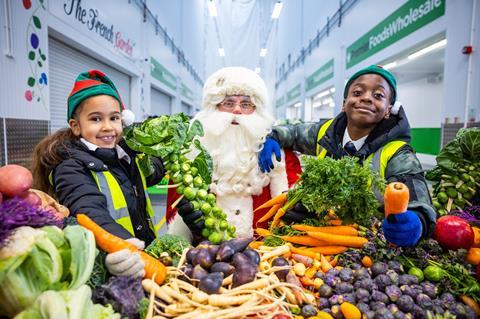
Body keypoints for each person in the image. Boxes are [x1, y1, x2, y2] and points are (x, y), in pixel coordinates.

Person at [258, 65, 436, 247]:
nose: (366, 98)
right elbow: (295, 133)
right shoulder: (325, 132)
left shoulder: (398, 153)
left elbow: (418, 200)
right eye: (358, 92)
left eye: (378, 95)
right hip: (320, 236)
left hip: (368, 244)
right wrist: (274, 136)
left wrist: (417, 222)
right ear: (344, 103)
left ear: (388, 110)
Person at [32, 70, 165, 277]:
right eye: (95, 119)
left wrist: (169, 156)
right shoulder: (69, 168)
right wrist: (124, 245)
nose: (107, 127)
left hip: (142, 257)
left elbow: (148, 175)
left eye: (114, 118)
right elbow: (89, 211)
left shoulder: (124, 156)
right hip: (110, 263)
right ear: (76, 127)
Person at [166, 67, 302, 241]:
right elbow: (174, 208)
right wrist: (189, 220)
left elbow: (298, 206)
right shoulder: (190, 153)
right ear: (214, 107)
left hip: (266, 255)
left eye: (246, 104)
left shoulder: (280, 153)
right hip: (206, 255)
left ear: (256, 110)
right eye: (228, 103)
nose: (237, 110)